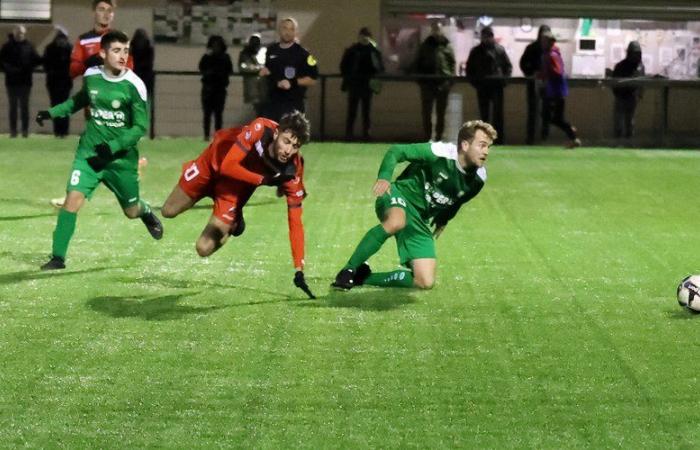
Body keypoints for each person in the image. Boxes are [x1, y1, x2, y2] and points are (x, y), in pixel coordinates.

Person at [36, 31, 163, 271]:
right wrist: (52, 113)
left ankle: (145, 211)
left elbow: (139, 127)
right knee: (72, 200)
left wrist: (113, 147)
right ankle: (57, 258)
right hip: (89, 155)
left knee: (131, 210)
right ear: (103, 53)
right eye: (117, 50)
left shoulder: (135, 85)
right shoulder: (92, 76)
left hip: (120, 161)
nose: (123, 55)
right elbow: (79, 101)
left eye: (126, 50)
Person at [160, 111, 314, 297]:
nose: (288, 150)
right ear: (276, 133)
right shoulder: (260, 128)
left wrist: (299, 268)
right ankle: (209, 197)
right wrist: (262, 180)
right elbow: (228, 166)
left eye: (295, 146)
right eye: (286, 142)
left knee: (203, 248)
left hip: (233, 190)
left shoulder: (292, 170)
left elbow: (295, 221)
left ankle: (233, 224)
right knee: (168, 211)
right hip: (211, 165)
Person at [332, 120, 497, 290]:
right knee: (396, 221)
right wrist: (384, 177)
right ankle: (348, 270)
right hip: (398, 195)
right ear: (464, 144)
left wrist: (444, 219)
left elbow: (458, 200)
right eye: (482, 145)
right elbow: (397, 151)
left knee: (425, 281)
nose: (486, 152)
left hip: (419, 219)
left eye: (488, 147)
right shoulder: (440, 152)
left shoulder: (478, 179)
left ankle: (363, 278)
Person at [51, 0, 135, 207]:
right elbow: (72, 71)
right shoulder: (84, 40)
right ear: (93, 12)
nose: (106, 14)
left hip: (116, 104)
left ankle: (128, 185)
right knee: (91, 149)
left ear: (113, 15)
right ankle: (75, 192)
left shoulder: (119, 39)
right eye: (101, 9)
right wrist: (88, 61)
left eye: (109, 11)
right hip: (94, 104)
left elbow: (130, 68)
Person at [260, 17, 318, 122]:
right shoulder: (271, 50)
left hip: (293, 103)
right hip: (273, 101)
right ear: (279, 30)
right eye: (285, 28)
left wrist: (292, 82)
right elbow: (268, 71)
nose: (288, 32)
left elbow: (312, 79)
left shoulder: (303, 54)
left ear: (296, 32)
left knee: (291, 135)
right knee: (271, 135)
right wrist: (267, 74)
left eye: (292, 29)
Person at [466, 26, 512, 144]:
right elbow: (469, 70)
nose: (488, 39)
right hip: (486, 86)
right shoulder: (481, 51)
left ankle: (497, 139)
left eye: (489, 36)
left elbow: (508, 67)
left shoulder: (495, 50)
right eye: (486, 36)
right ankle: (488, 139)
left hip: (495, 85)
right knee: (485, 115)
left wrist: (504, 81)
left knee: (496, 115)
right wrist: (476, 83)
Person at [413, 22, 456, 142]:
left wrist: (449, 81)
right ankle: (427, 137)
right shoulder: (425, 46)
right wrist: (421, 81)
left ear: (442, 30)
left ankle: (439, 138)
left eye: (438, 29)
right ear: (431, 30)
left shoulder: (447, 46)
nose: (436, 31)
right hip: (428, 84)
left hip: (443, 84)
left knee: (441, 113)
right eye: (434, 29)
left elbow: (452, 64)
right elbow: (417, 64)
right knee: (426, 113)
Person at [340, 27, 384, 141]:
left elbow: (344, 66)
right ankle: (357, 134)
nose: (364, 38)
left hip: (363, 84)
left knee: (363, 112)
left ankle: (358, 134)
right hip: (358, 84)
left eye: (365, 36)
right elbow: (344, 66)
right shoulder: (369, 51)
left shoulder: (355, 50)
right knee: (355, 111)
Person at [538, 30, 581, 149]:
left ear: (549, 42)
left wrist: (546, 75)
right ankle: (572, 134)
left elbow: (558, 71)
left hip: (555, 91)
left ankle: (572, 134)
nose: (541, 43)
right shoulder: (548, 54)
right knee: (553, 117)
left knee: (553, 117)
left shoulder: (552, 55)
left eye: (543, 41)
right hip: (552, 91)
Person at [0, 25, 41, 138]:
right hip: (12, 82)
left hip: (25, 81)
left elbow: (36, 60)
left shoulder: (29, 46)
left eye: (21, 33)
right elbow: (1, 62)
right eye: (18, 33)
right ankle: (13, 131)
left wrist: (31, 66)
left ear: (24, 34)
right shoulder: (7, 47)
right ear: (14, 34)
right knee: (13, 107)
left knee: (24, 107)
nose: (19, 35)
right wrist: (9, 69)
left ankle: (24, 131)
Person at [519, 24, 550, 145]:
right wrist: (531, 73)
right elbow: (523, 63)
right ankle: (531, 138)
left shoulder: (551, 50)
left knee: (546, 111)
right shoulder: (531, 48)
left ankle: (544, 137)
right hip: (533, 83)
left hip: (547, 84)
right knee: (533, 111)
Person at [198, 35, 233, 141]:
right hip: (208, 88)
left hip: (219, 88)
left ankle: (217, 136)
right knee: (207, 114)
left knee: (218, 114)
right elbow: (201, 67)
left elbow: (229, 70)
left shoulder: (225, 57)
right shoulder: (207, 57)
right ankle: (206, 135)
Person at [42, 27, 73, 137]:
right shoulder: (50, 49)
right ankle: (57, 131)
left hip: (65, 83)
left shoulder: (70, 49)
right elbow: (45, 64)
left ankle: (64, 131)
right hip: (53, 82)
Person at [611, 41, 645, 140]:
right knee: (619, 122)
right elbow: (615, 83)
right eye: (634, 53)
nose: (636, 56)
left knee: (630, 121)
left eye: (637, 53)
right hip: (621, 96)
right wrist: (618, 93)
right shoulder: (620, 66)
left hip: (632, 97)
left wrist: (640, 93)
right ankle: (618, 141)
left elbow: (642, 81)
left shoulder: (640, 67)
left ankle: (628, 141)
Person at [238, 33, 266, 118]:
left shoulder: (262, 52)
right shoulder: (245, 54)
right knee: (258, 112)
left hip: (263, 88)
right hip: (253, 87)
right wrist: (258, 68)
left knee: (262, 112)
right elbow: (243, 67)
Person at [130, 28, 154, 100]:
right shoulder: (149, 46)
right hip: (146, 75)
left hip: (134, 73)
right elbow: (150, 61)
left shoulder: (132, 45)